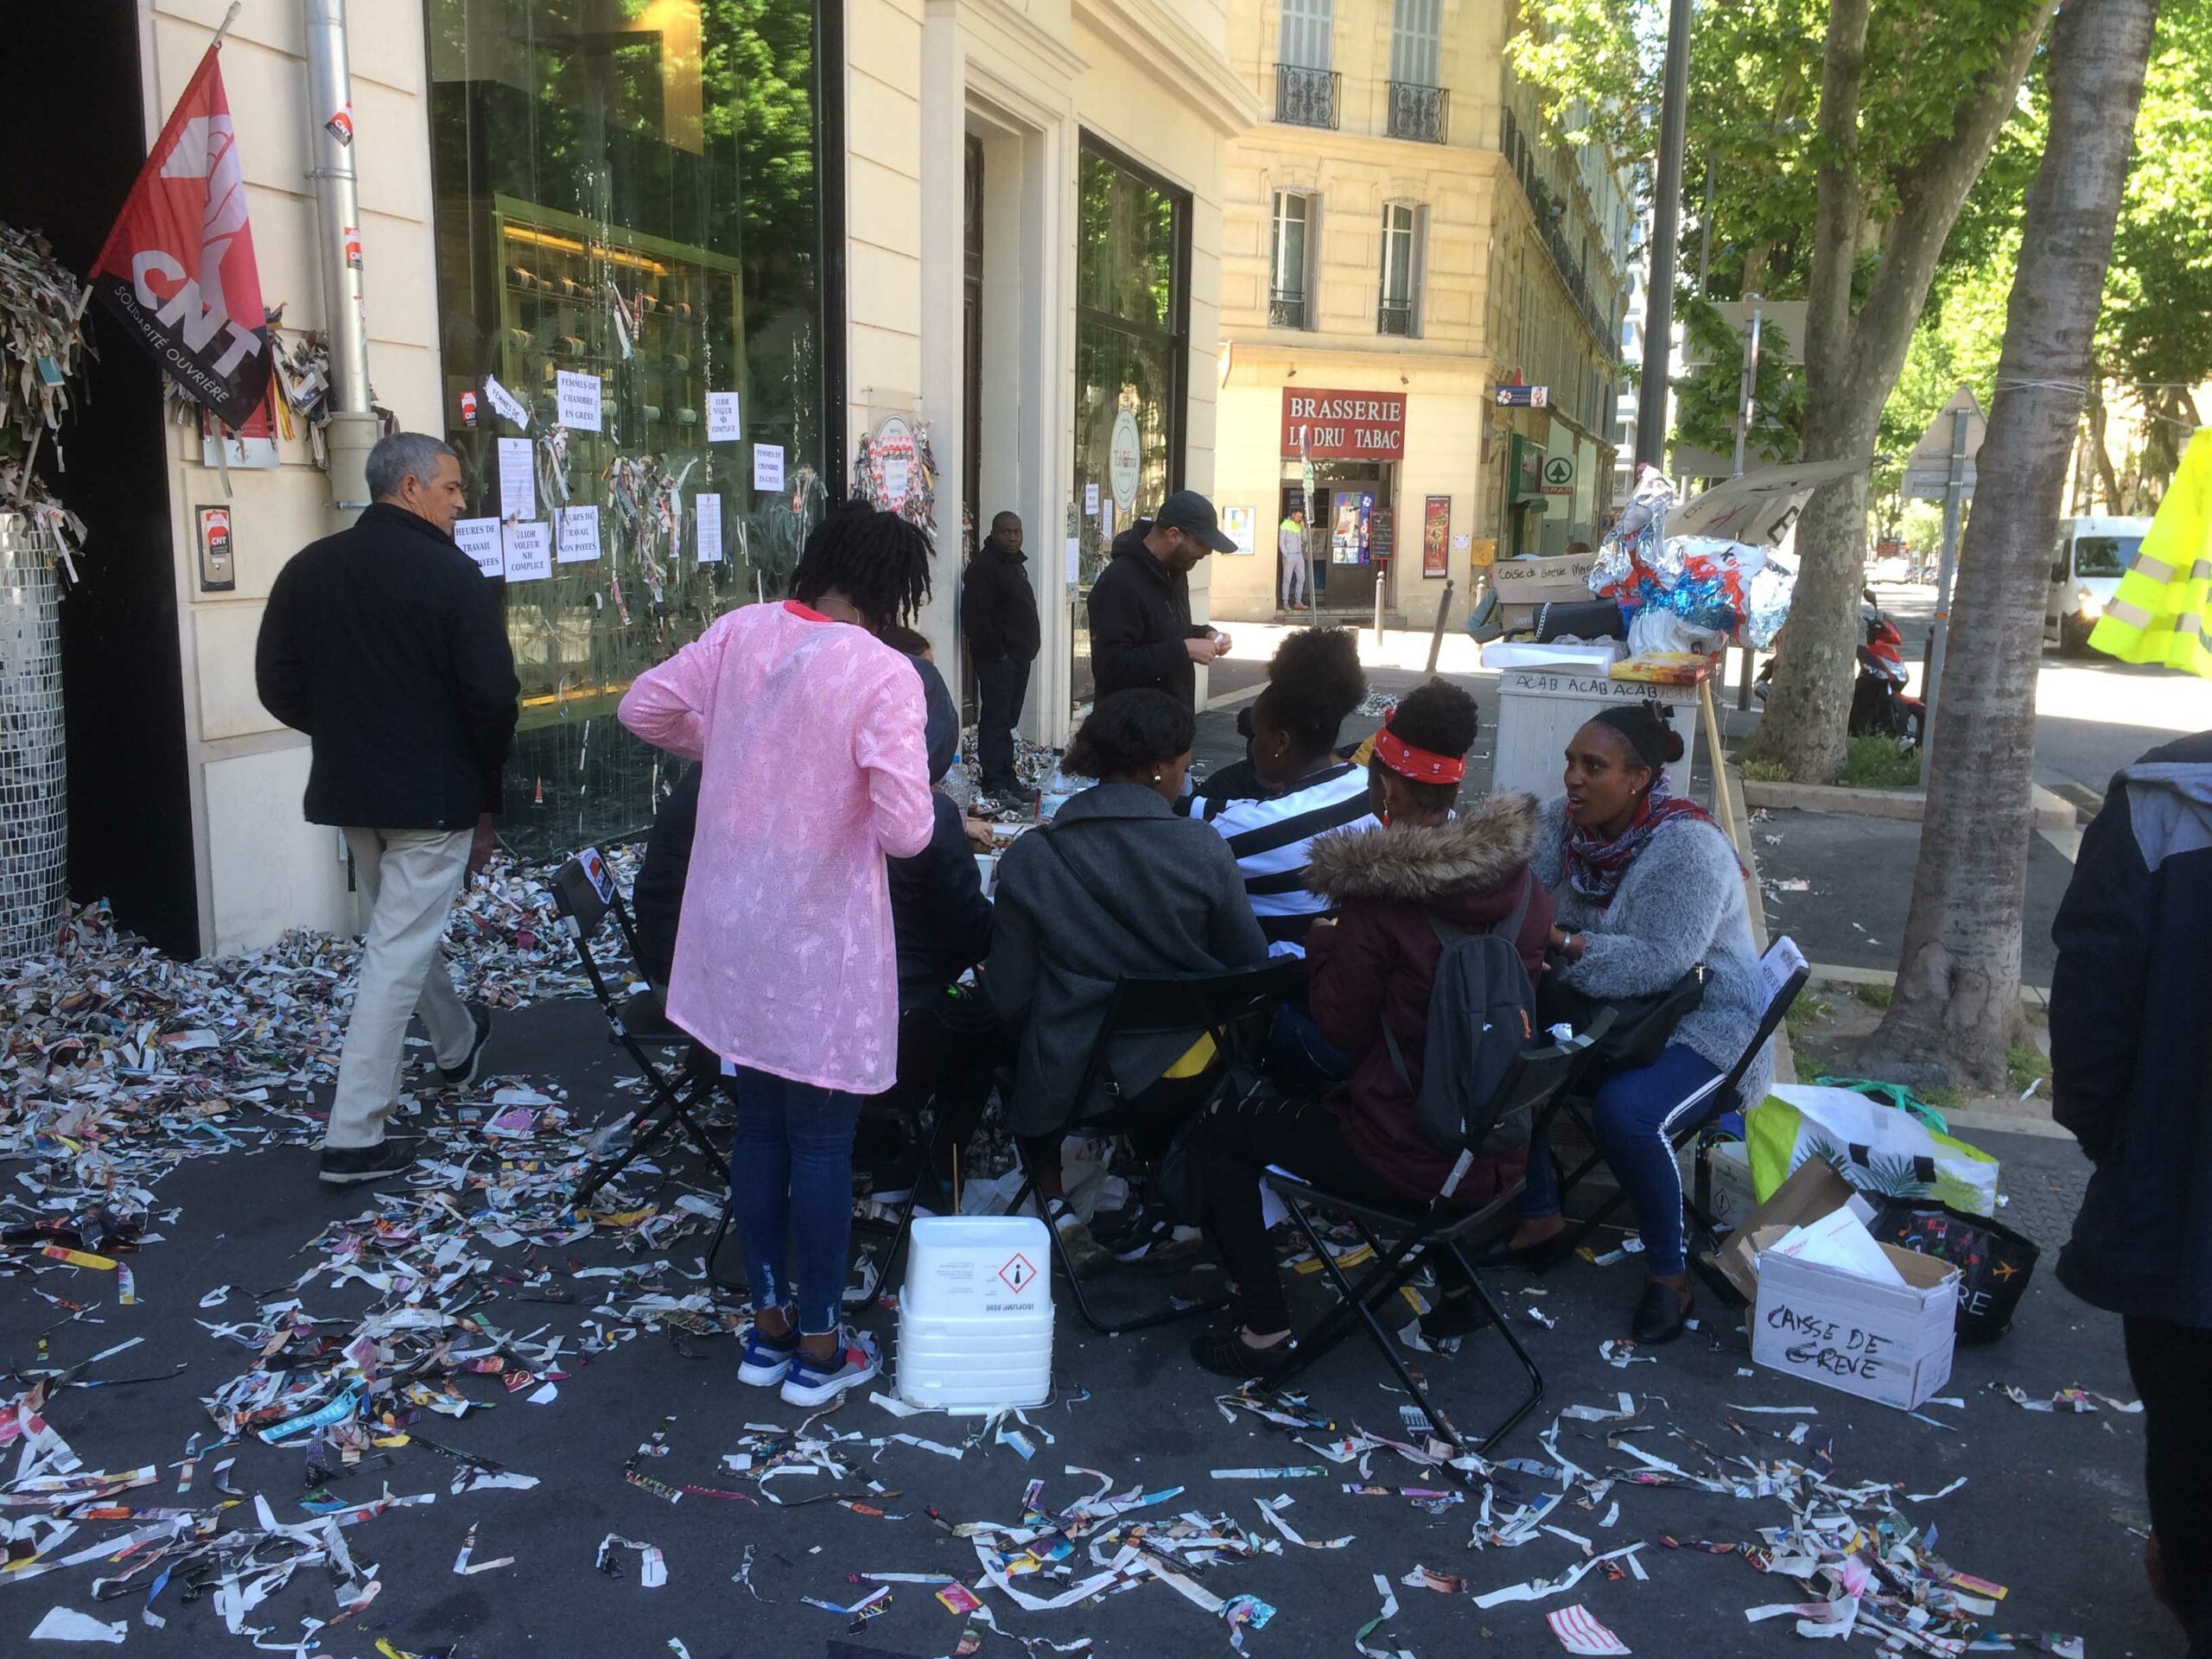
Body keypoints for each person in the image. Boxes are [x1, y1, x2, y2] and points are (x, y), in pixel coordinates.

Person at [618, 501, 936, 1409]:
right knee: (824, 1142)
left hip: (731, 936)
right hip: (820, 946)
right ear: (891, 590)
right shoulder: (884, 673)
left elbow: (643, 706)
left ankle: (767, 1330)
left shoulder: (740, 631)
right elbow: (909, 832)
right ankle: (821, 1347)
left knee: (758, 1128)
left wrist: (735, 746)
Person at [1188, 679, 1552, 1377]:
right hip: (1494, 1152)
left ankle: (1264, 1329)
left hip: (1402, 1155)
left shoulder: (1382, 899)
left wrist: (1325, 943)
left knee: (1226, 1126)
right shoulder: (1522, 887)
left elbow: (1338, 1030)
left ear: (1384, 790)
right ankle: (1458, 1295)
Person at [255, 432, 518, 1186]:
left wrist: (346, 734)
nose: (461, 502)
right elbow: (493, 700)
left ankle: (456, 1044)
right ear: (410, 487)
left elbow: (277, 682)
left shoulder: (309, 568)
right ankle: (354, 1134)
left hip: (353, 791)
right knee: (394, 952)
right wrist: (484, 795)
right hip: (431, 797)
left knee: (401, 933)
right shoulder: (453, 575)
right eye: (452, 488)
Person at [1503, 703, 1770, 1344]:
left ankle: (1669, 1275)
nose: (1573, 778)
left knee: (1626, 1113)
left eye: (1594, 767)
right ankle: (1540, 1217)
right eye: (1571, 761)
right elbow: (1520, 895)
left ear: (1639, 779)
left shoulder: (1689, 848)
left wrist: (1557, 941)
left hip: (1711, 1025)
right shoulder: (1568, 823)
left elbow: (1657, 962)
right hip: (1618, 1018)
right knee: (1507, 1059)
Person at [986, 690, 1268, 1270]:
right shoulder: (1203, 848)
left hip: (1073, 1079)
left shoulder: (1033, 857)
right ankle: (1168, 1201)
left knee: (1005, 1042)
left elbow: (1009, 997)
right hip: (1186, 1075)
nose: (1187, 780)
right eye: (1186, 767)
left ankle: (1056, 1204)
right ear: (1160, 768)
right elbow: (1248, 965)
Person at [2050, 732, 2212, 1656]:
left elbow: (2093, 1007)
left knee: (2190, 1442)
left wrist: (2130, 1149)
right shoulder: (2162, 799)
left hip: (2183, 1211)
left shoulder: (2164, 799)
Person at [1180, 626, 1374, 955]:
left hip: (1278, 979)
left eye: (1256, 734)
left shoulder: (1249, 828)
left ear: (1280, 743)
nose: (1253, 744)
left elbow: (1168, 819)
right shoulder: (1373, 789)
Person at [1087, 489, 1236, 707]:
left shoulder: (1174, 570)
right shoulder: (1118, 583)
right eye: (1201, 543)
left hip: (1172, 717)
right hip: (1131, 720)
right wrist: (1184, 651)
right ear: (1173, 535)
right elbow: (1110, 667)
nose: (1206, 553)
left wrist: (1204, 634)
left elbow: (1162, 630)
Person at [962, 512, 1041, 801]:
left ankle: (1008, 778)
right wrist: (1000, 654)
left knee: (1008, 722)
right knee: (995, 721)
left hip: (1020, 656)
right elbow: (976, 617)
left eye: (1017, 532)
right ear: (994, 533)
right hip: (998, 660)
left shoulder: (1016, 565)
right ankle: (994, 782)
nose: (1013, 538)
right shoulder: (983, 568)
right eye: (1006, 532)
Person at [1277, 506, 1308, 611]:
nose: (1299, 518)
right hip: (1289, 555)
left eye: (1301, 517)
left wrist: (1303, 528)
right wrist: (1286, 555)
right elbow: (1281, 542)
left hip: (1299, 555)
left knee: (1301, 578)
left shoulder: (1299, 526)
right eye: (1298, 516)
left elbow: (1305, 539)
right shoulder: (1285, 525)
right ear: (1293, 514)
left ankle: (1298, 601)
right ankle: (1285, 601)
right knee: (1287, 579)